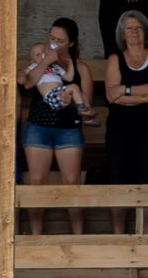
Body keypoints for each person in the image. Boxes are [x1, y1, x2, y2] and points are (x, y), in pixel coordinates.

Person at [20, 17, 96, 237]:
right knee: (37, 182)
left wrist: (70, 99)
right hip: (39, 126)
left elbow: (87, 105)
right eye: (51, 38)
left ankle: (78, 235)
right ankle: (36, 236)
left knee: (72, 182)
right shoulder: (39, 60)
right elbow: (27, 83)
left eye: (60, 40)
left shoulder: (79, 67)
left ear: (70, 43)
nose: (54, 43)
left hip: (68, 129)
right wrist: (45, 61)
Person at [102, 8, 148, 234]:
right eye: (129, 28)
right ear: (122, 33)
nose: (134, 32)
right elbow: (111, 96)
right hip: (119, 128)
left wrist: (126, 92)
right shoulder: (115, 58)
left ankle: (146, 235)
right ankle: (118, 236)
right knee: (118, 178)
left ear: (145, 31)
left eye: (138, 27)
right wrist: (142, 96)